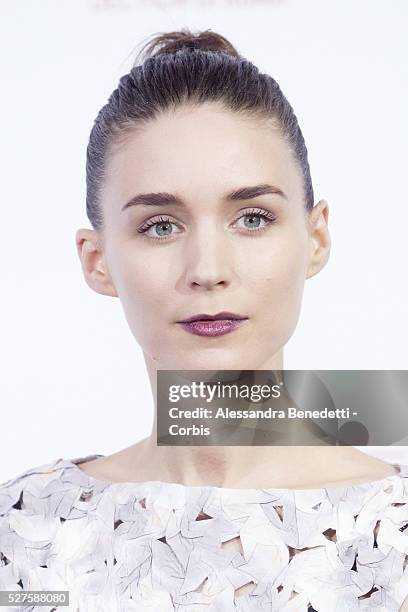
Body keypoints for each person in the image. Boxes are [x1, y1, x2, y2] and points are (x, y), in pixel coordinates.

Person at [1, 28, 408, 612]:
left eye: (251, 217)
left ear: (315, 238)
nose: (208, 270)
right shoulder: (25, 533)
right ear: (98, 261)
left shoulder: (394, 531)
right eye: (160, 226)